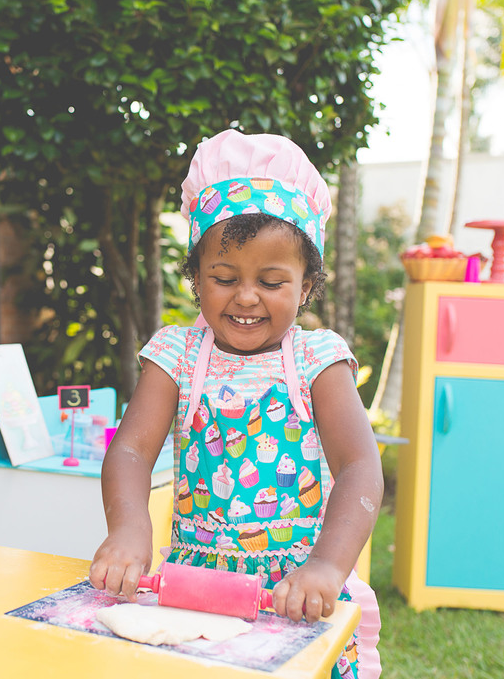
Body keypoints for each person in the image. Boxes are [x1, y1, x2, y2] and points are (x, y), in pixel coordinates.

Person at [89, 129, 383, 678]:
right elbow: (130, 451)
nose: (246, 296)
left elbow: (360, 467)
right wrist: (129, 529)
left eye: (272, 281)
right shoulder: (175, 355)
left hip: (296, 594)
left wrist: (326, 567)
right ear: (197, 279)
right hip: (196, 588)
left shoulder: (319, 359)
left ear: (307, 285)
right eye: (225, 278)